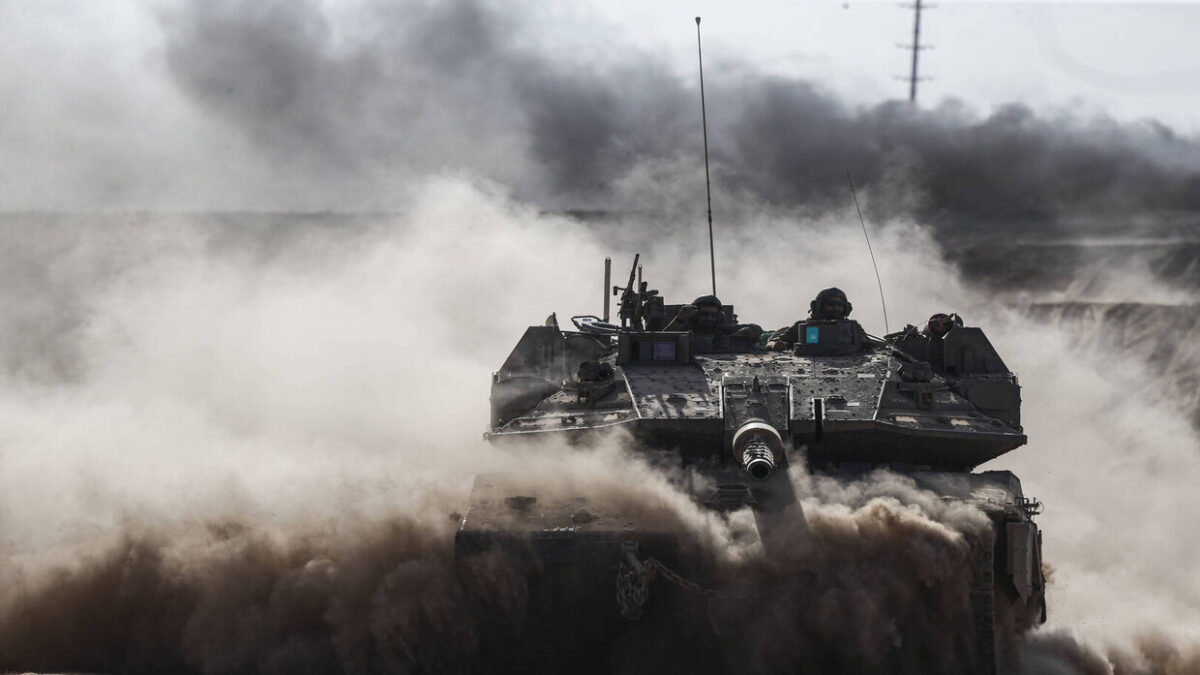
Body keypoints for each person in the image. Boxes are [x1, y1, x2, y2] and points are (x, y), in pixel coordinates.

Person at [766, 287, 853, 351]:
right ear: (818, 306)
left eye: (840, 305)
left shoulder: (852, 329)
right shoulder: (804, 327)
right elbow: (772, 343)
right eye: (831, 304)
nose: (836, 308)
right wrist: (776, 345)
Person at [664, 295, 763, 342]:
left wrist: (735, 337)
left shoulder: (721, 329)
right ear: (695, 315)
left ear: (719, 316)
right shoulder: (686, 330)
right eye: (705, 314)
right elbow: (663, 339)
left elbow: (756, 328)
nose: (709, 318)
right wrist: (679, 319)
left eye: (713, 315)